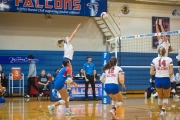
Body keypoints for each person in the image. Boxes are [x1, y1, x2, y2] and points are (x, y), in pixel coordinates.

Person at [56, 23, 81, 94]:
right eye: (67, 38)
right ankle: (68, 82)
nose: (68, 38)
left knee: (66, 75)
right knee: (70, 71)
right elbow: (73, 35)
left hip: (66, 59)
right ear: (66, 40)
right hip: (66, 59)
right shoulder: (67, 43)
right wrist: (77, 28)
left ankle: (69, 89)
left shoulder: (67, 45)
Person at [150, 46, 174, 116]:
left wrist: (158, 71)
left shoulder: (154, 60)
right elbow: (171, 72)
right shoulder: (169, 59)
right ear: (165, 51)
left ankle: (161, 111)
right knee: (166, 97)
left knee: (160, 97)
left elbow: (151, 73)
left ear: (158, 52)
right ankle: (163, 110)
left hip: (158, 80)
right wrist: (165, 72)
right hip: (166, 79)